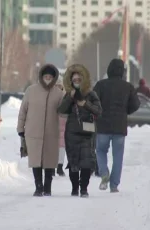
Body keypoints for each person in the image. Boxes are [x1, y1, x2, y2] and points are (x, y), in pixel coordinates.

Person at [93, 58, 140, 193]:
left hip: (102, 126)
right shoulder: (128, 87)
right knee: (118, 155)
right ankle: (114, 185)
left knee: (101, 151)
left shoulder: (100, 85)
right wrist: (125, 111)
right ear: (122, 72)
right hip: (120, 127)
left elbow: (93, 101)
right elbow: (136, 104)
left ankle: (104, 173)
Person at [17, 64, 64, 197]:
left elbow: (65, 112)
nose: (48, 79)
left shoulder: (59, 93)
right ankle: (38, 186)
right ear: (41, 77)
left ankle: (47, 187)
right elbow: (23, 111)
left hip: (51, 132)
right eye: (45, 76)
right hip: (33, 131)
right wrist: (20, 128)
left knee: (49, 160)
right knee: (35, 160)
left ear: (54, 78)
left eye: (50, 77)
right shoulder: (31, 91)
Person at [58, 64, 102, 198]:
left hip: (87, 133)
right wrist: (70, 97)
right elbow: (61, 110)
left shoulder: (91, 94)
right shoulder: (68, 95)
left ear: (83, 80)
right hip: (71, 133)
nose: (76, 82)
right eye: (74, 80)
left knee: (86, 162)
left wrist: (85, 104)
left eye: (79, 80)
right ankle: (74, 188)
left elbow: (99, 111)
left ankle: (84, 188)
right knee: (73, 162)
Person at [55, 79, 66, 177]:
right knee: (53, 147)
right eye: (56, 86)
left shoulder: (65, 97)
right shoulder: (50, 97)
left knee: (62, 147)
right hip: (53, 126)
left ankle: (59, 166)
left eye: (60, 86)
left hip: (63, 125)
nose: (58, 88)